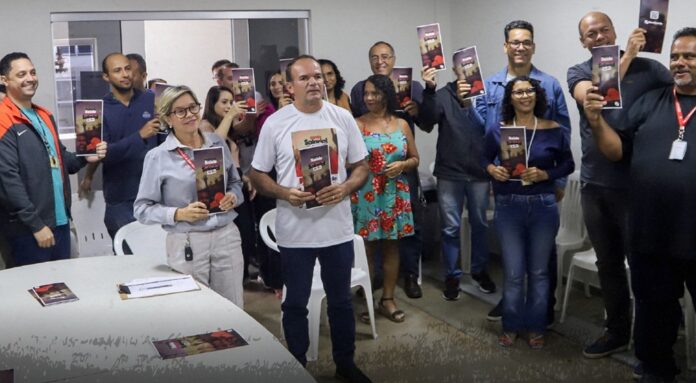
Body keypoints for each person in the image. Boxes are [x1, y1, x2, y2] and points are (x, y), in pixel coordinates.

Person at [583, 27, 696, 383]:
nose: (679, 62)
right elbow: (616, 150)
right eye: (675, 55)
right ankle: (656, 368)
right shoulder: (653, 100)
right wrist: (596, 120)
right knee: (653, 309)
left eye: (689, 56)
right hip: (650, 231)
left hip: (694, 232)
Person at [249, 55, 371, 383]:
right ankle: (297, 363)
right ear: (290, 86)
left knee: (342, 303)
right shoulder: (276, 123)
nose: (314, 82)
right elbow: (257, 173)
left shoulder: (342, 119)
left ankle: (345, 363)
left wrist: (345, 187)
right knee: (295, 304)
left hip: (337, 229)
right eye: (305, 78)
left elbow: (362, 166)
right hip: (295, 233)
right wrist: (284, 192)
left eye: (317, 76)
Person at [567, 11, 673, 360]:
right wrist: (625, 56)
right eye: (590, 34)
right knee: (608, 264)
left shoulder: (654, 72)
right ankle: (616, 331)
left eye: (604, 30)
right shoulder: (579, 73)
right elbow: (593, 96)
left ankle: (648, 342)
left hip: (638, 189)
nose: (598, 37)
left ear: (615, 30)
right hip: (595, 186)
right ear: (583, 42)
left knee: (642, 267)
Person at [478, 20, 571, 321]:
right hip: (507, 186)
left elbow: (564, 134)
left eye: (526, 42)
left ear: (533, 46)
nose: (520, 47)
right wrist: (492, 171)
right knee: (513, 255)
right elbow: (486, 134)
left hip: (543, 186)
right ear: (505, 46)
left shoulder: (551, 84)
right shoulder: (491, 84)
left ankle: (543, 307)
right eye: (514, 42)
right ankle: (512, 303)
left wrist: (558, 179)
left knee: (544, 254)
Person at [134, 85, 245, 308]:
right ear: (167, 118)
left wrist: (233, 197)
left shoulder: (217, 143)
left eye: (193, 107)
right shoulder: (158, 157)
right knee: (196, 311)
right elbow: (142, 209)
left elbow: (235, 183)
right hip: (188, 242)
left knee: (233, 308)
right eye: (181, 111)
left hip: (226, 236)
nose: (190, 115)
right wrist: (179, 213)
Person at [483, 76, 574, 349]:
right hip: (508, 205)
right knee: (512, 272)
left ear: (537, 96)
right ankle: (511, 325)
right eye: (518, 92)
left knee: (539, 272)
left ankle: (536, 326)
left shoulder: (553, 128)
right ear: (510, 98)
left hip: (543, 206)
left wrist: (547, 173)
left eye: (529, 91)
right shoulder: (498, 130)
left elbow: (567, 164)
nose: (524, 96)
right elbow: (483, 158)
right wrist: (491, 169)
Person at [0, 52, 107, 266]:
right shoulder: (3, 119)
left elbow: (61, 160)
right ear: (4, 80)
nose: (30, 78)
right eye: (21, 74)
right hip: (29, 230)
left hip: (59, 222)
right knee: (31, 294)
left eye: (32, 72)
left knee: (62, 291)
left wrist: (87, 156)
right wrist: (36, 226)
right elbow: (7, 179)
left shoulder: (43, 115)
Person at [351, 41, 425, 299]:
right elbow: (350, 162)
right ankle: (369, 299)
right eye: (366, 94)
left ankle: (388, 300)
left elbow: (415, 158)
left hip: (395, 191)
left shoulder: (402, 124)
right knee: (369, 250)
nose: (369, 98)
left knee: (393, 249)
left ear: (386, 95)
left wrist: (402, 165)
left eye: (374, 93)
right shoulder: (357, 124)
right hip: (367, 192)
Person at [420, 55, 489, 301]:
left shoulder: (484, 94)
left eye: (472, 66)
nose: (468, 70)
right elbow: (426, 122)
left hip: (480, 172)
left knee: (480, 224)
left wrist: (470, 102)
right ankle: (452, 275)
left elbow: (491, 130)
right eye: (463, 66)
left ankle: (480, 271)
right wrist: (428, 89)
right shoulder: (441, 95)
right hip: (450, 172)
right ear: (453, 69)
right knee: (450, 227)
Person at [79, 52, 160, 241]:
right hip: (121, 198)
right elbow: (102, 154)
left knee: (161, 260)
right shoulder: (95, 110)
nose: (125, 74)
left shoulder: (152, 100)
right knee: (129, 261)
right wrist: (140, 136)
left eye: (127, 68)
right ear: (106, 76)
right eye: (117, 70)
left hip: (156, 196)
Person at [200, 85, 257, 281]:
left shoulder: (230, 125)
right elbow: (214, 146)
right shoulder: (205, 126)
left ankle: (239, 279)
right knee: (235, 235)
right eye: (224, 102)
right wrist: (230, 116)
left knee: (248, 235)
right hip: (218, 183)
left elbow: (233, 159)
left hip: (237, 179)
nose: (229, 106)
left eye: (231, 102)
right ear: (212, 104)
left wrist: (245, 177)